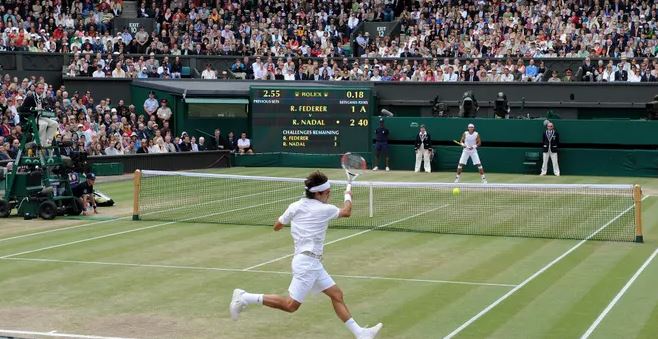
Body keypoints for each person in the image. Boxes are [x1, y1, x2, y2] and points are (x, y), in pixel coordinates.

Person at [229, 171, 383, 339]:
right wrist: (348, 194)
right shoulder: (325, 210)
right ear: (317, 193)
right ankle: (244, 297)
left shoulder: (295, 206)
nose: (329, 196)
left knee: (336, 295)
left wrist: (298, 224)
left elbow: (277, 225)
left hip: (312, 262)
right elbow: (347, 211)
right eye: (327, 193)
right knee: (291, 305)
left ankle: (361, 334)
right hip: (307, 264)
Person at [19, 83, 58, 147]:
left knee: (54, 123)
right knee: (44, 124)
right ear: (36, 89)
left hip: (40, 117)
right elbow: (21, 108)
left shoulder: (42, 98)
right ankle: (39, 142)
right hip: (31, 118)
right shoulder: (30, 97)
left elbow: (44, 108)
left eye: (42, 89)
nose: (41, 90)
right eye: (40, 88)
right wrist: (33, 108)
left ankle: (47, 141)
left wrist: (47, 110)